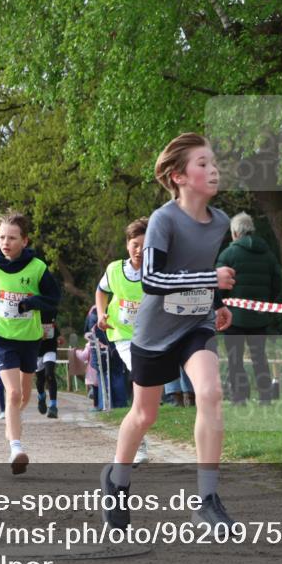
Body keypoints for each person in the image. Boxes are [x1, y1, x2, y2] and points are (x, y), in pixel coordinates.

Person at [101, 132, 235, 530]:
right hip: (155, 331)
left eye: (214, 163)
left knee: (210, 392)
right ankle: (117, 481)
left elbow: (197, 272)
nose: (213, 170)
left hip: (196, 324)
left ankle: (206, 500)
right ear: (178, 176)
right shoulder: (163, 220)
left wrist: (216, 303)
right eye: (203, 164)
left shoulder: (221, 222)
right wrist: (211, 278)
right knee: (144, 414)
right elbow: (154, 280)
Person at [0, 210, 61, 474]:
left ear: (24, 241)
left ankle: (12, 424)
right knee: (13, 394)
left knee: (24, 396)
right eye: (2, 237)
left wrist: (32, 303)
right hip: (3, 337)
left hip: (29, 338)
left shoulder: (38, 268)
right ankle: (16, 447)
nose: (6, 243)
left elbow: (53, 298)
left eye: (12, 238)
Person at [216, 212, 282, 406]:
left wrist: (223, 305)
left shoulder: (229, 254)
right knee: (259, 357)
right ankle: (265, 397)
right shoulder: (267, 253)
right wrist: (266, 302)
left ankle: (239, 397)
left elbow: (217, 284)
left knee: (234, 358)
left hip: (234, 317)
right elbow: (277, 281)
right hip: (260, 316)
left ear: (235, 232)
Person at [95, 217, 146, 454]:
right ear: (127, 244)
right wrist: (102, 314)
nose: (139, 250)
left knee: (147, 388)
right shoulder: (115, 269)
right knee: (139, 375)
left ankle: (137, 430)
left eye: (145, 246)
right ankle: (140, 445)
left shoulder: (157, 272)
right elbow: (101, 290)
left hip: (150, 336)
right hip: (122, 334)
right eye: (135, 244)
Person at [35, 310, 62, 418]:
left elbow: (53, 325)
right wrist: (37, 335)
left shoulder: (51, 309)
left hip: (50, 347)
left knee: (49, 374)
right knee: (40, 380)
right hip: (36, 350)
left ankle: (53, 406)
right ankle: (41, 397)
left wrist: (59, 336)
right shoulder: (32, 311)